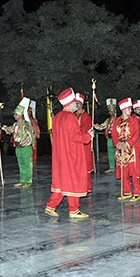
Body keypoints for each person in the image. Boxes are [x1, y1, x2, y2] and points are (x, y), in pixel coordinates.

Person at [45, 87, 94, 219]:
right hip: (71, 154)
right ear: (70, 103)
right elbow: (76, 137)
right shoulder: (70, 117)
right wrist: (88, 136)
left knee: (62, 182)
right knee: (73, 180)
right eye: (74, 103)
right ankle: (74, 210)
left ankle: (51, 206)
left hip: (60, 155)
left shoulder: (57, 117)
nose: (76, 105)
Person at [112, 97, 140, 202]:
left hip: (132, 151)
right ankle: (127, 192)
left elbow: (136, 134)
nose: (131, 111)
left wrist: (127, 144)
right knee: (123, 172)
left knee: (134, 173)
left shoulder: (133, 121)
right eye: (129, 109)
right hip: (121, 151)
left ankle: (137, 192)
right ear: (124, 110)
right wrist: (117, 144)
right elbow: (114, 134)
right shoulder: (117, 121)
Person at [0, 97, 34, 187]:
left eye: (16, 114)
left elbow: (29, 137)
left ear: (21, 114)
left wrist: (21, 142)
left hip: (25, 148)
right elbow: (9, 130)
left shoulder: (27, 125)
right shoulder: (15, 124)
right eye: (14, 114)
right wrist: (0, 125)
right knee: (21, 165)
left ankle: (28, 181)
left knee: (27, 165)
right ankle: (22, 181)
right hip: (18, 148)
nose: (14, 115)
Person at [75, 93, 94, 193]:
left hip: (84, 144)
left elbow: (85, 130)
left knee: (85, 167)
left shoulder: (86, 116)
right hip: (76, 145)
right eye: (75, 103)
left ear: (82, 104)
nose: (76, 104)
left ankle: (87, 188)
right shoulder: (73, 115)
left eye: (78, 103)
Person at [94, 98, 117, 173]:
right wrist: (94, 125)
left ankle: (119, 168)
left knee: (117, 153)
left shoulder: (118, 120)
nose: (111, 113)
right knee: (110, 153)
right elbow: (101, 127)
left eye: (113, 111)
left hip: (116, 138)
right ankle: (112, 167)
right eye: (110, 111)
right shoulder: (108, 120)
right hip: (109, 138)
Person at [29, 100, 41, 164]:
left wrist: (36, 134)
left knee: (34, 149)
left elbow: (36, 127)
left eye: (30, 112)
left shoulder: (34, 120)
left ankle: (34, 160)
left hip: (33, 136)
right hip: (28, 136)